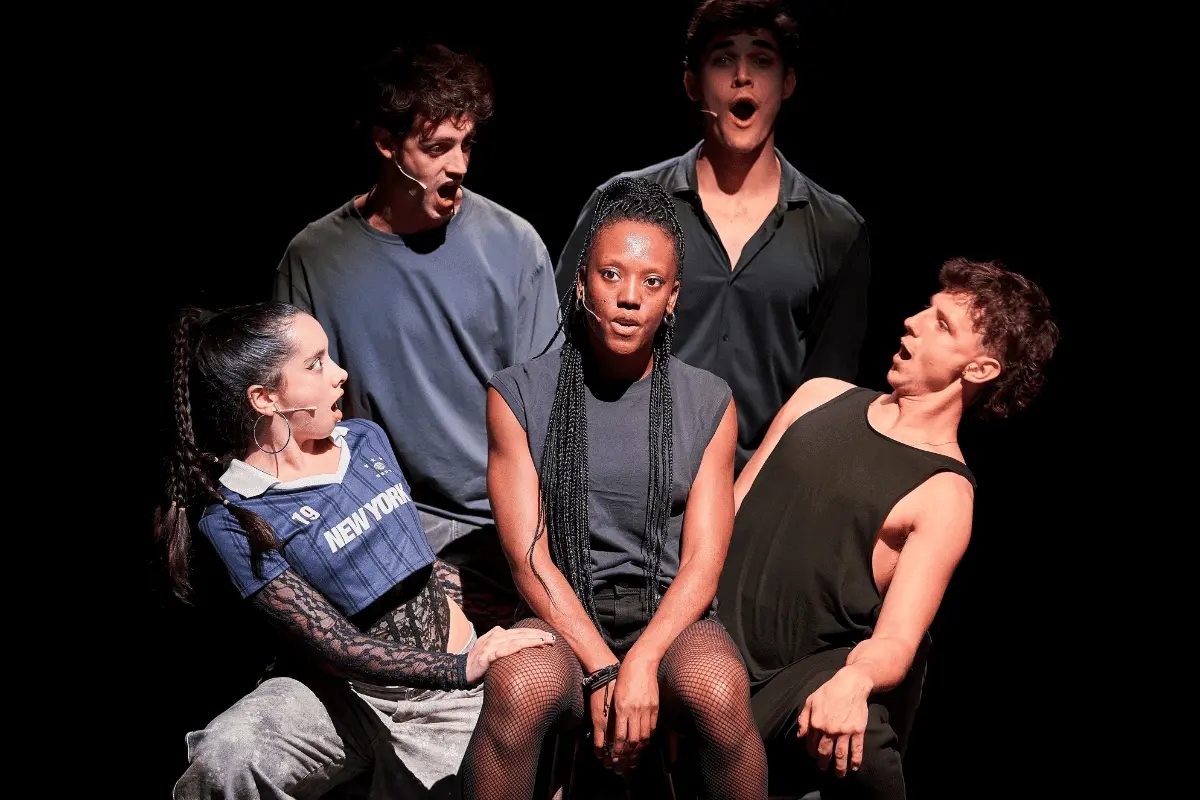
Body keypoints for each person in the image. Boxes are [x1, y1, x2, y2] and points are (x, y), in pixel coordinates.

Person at [156, 302, 555, 799]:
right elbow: (333, 642)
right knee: (228, 754)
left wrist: (516, 615)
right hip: (340, 696)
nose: (339, 373)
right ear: (265, 398)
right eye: (315, 364)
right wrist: (461, 667)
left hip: (441, 697)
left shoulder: (365, 441)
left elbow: (416, 571)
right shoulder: (234, 514)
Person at [460, 177, 768, 798]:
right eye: (611, 275)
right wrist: (602, 667)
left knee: (718, 689)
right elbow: (529, 559)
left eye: (652, 282)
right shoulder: (518, 394)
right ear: (581, 284)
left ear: (673, 297)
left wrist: (644, 660)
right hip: (561, 616)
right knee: (519, 687)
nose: (629, 297)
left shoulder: (708, 401)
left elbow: (703, 563)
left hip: (670, 618)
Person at [717, 258, 1060, 798]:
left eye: (942, 324)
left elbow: (899, 638)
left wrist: (855, 681)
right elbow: (725, 518)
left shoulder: (945, 493)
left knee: (866, 735)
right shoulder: (818, 396)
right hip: (709, 642)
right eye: (928, 309)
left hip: (785, 686)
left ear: (979, 369)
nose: (913, 322)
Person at [273, 44, 560, 630]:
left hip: (503, 522)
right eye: (436, 148)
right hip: (382, 521)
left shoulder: (514, 245)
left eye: (466, 145)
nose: (459, 165)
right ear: (386, 142)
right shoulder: (314, 259)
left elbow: (548, 416)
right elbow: (292, 426)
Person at [555, 0, 870, 473]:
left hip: (759, 493)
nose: (742, 76)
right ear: (692, 83)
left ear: (787, 83)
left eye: (761, 59)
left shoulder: (836, 229)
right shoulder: (623, 203)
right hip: (621, 477)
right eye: (723, 59)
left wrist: (756, 493)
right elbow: (560, 339)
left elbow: (828, 395)